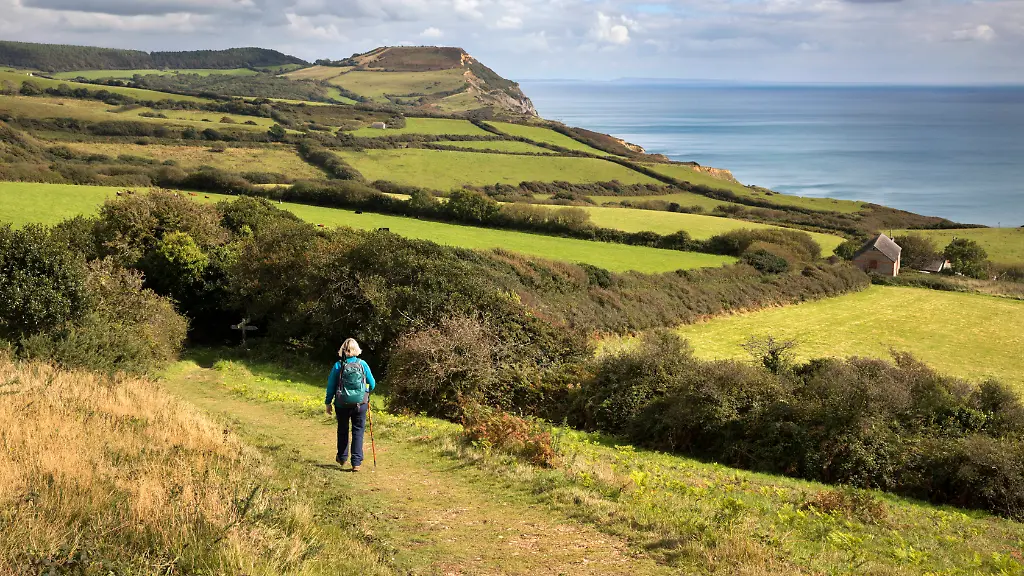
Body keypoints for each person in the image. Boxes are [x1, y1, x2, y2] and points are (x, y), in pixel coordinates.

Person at [325, 338, 376, 471]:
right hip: (360, 404)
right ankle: (356, 463)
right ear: (357, 349)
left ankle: (342, 457)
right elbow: (372, 383)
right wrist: (365, 393)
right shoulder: (362, 364)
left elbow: (331, 385)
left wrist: (328, 402)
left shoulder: (338, 365)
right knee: (358, 431)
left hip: (342, 404)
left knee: (342, 430)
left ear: (343, 350)